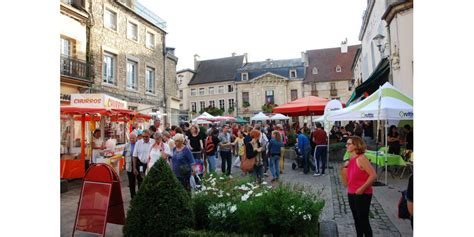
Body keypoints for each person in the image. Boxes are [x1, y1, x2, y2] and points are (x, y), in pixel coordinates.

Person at [342, 136, 377, 237]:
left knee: (363, 221)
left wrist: (362, 189)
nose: (346, 146)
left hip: (363, 194)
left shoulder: (361, 158)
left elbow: (373, 175)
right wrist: (345, 167)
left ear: (356, 145)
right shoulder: (350, 160)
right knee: (357, 220)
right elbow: (345, 183)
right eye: (347, 144)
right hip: (351, 193)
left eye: (349, 144)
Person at [123, 133, 138, 198]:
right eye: (130, 138)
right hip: (129, 165)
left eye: (133, 138)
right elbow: (124, 154)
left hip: (137, 164)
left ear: (136, 138)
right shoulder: (127, 145)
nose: (131, 139)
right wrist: (125, 164)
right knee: (131, 181)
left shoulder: (138, 144)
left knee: (140, 180)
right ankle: (133, 196)